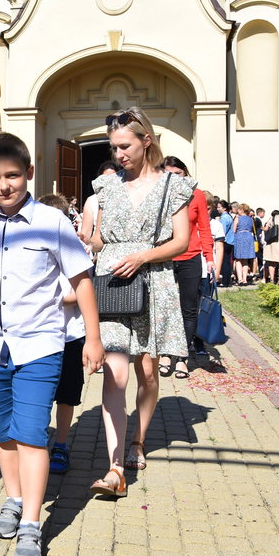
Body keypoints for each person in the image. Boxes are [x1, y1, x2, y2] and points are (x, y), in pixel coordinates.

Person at [0, 133, 103, 556]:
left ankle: (31, 523)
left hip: (40, 346)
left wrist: (93, 337)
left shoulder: (52, 221)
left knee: (31, 433)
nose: (4, 185)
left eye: (12, 175)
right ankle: (13, 499)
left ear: (29, 173)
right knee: (5, 431)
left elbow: (82, 279)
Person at [88, 107, 192, 498]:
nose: (119, 155)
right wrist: (87, 243)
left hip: (153, 282)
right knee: (114, 374)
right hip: (113, 285)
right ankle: (115, 468)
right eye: (114, 148)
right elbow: (100, 238)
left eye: (125, 146)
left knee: (147, 371)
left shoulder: (173, 186)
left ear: (146, 141)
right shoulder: (106, 186)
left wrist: (142, 256)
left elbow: (181, 241)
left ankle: (138, 440)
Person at [38, 193, 90, 476]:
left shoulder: (75, 248)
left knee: (67, 395)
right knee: (39, 395)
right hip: (39, 335)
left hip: (69, 335)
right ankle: (36, 443)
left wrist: (45, 299)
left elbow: (79, 292)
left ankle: (60, 443)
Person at [158, 156, 212, 378]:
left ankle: (181, 357)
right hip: (164, 257)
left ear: (185, 173)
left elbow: (204, 228)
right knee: (165, 308)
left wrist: (209, 257)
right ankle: (165, 353)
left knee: (188, 309)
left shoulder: (196, 195)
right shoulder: (160, 194)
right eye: (169, 174)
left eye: (178, 174)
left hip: (190, 257)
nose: (174, 179)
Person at [79, 160, 121, 245]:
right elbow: (86, 234)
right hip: (99, 246)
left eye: (112, 177)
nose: (108, 181)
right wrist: (81, 238)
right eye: (105, 178)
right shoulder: (92, 200)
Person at [262, 209, 279, 285]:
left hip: (273, 240)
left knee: (272, 262)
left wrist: (260, 228)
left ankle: (272, 280)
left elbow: (266, 228)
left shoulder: (273, 218)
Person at [233, 203, 256, 286]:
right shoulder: (251, 219)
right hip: (249, 237)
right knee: (245, 260)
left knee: (238, 259)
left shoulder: (237, 218)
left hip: (240, 237)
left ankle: (240, 279)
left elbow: (234, 230)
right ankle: (245, 279)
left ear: (241, 210)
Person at [218, 200, 235, 287]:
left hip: (226, 241)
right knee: (227, 261)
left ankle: (225, 281)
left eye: (219, 207)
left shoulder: (224, 218)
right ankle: (227, 281)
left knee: (224, 261)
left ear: (224, 208)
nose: (217, 209)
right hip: (230, 241)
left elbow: (222, 231)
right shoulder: (229, 216)